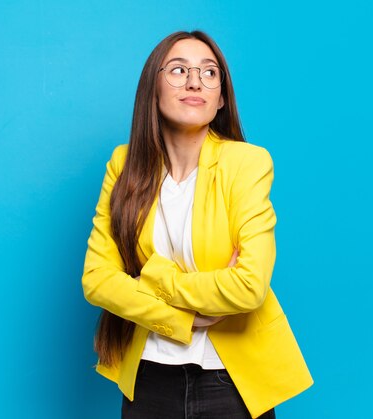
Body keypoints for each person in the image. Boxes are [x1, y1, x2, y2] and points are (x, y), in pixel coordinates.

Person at [82, 30, 313, 419]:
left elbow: (248, 286)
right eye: (178, 69)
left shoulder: (247, 164)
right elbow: (97, 279)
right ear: (151, 89)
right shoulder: (123, 165)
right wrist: (185, 318)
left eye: (209, 73)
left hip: (232, 382)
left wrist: (154, 280)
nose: (194, 81)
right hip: (148, 380)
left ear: (221, 97)